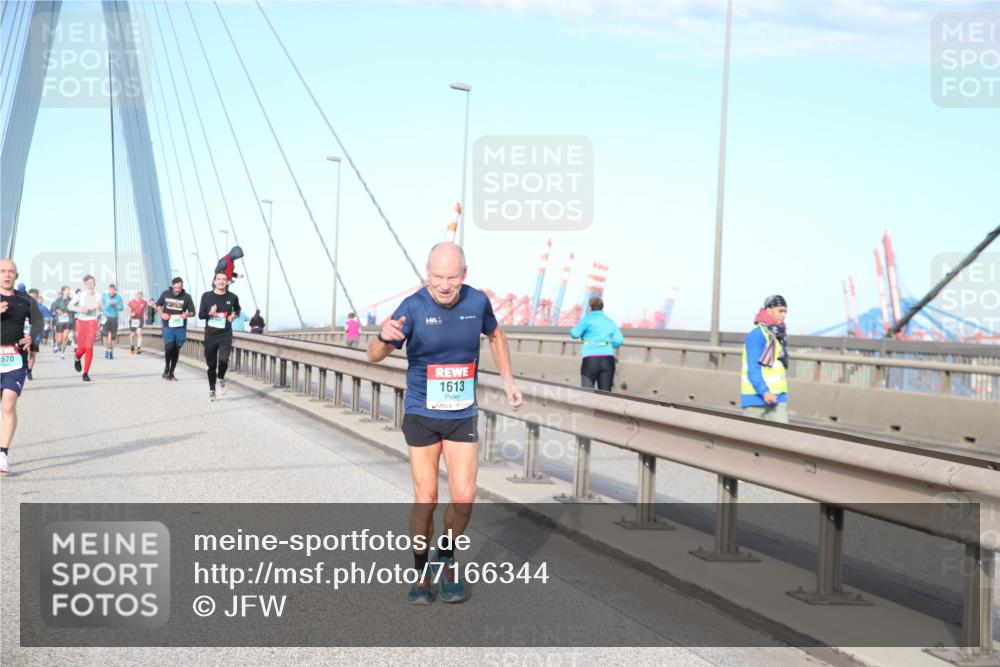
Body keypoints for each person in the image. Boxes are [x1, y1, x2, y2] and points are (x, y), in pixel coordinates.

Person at [367, 242, 523, 605]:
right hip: (422, 413)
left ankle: (447, 557)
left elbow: (496, 335)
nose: (444, 284)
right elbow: (373, 357)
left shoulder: (477, 302)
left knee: (465, 497)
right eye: (437, 276)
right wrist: (382, 338)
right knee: (426, 499)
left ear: (464, 275)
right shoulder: (413, 306)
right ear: (427, 274)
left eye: (452, 277)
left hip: (461, 414)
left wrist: (508, 380)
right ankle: (421, 573)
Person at [0, 260, 43, 473]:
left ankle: (3, 453)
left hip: (14, 359)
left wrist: (31, 337)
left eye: (11, 272)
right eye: (3, 271)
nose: (7, 275)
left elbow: (39, 323)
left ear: (16, 275)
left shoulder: (25, 301)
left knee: (9, 403)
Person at [740, 294, 790, 423]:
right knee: (749, 440)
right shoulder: (757, 335)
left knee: (784, 438)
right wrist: (764, 392)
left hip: (777, 400)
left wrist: (781, 396)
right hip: (755, 399)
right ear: (768, 311)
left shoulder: (779, 335)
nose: (783, 315)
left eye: (785, 311)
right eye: (780, 311)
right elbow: (753, 368)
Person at [198, 271, 241, 401]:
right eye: (219, 279)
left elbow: (238, 309)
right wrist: (210, 312)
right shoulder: (206, 296)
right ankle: (212, 389)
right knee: (211, 365)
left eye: (224, 279)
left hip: (225, 334)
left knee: (223, 360)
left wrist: (233, 316)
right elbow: (201, 315)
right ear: (214, 281)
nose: (221, 282)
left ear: (228, 282)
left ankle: (221, 377)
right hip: (210, 335)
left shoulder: (232, 297)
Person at [569, 296, 624, 391]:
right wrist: (608, 345)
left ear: (590, 307)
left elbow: (574, 334)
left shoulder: (587, 320)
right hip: (608, 360)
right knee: (606, 395)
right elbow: (619, 340)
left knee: (587, 394)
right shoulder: (610, 321)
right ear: (602, 307)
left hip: (590, 361)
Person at [156, 277, 196, 381]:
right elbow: (158, 305)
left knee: (176, 350)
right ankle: (167, 367)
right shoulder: (166, 294)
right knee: (169, 347)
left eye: (180, 287)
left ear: (182, 287)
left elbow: (193, 312)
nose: (178, 290)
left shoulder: (186, 297)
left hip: (180, 327)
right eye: (176, 287)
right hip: (168, 325)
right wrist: (162, 314)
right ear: (172, 286)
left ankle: (171, 373)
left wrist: (186, 314)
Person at [68, 275, 102, 381]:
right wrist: (81, 309)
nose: (90, 285)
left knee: (89, 348)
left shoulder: (98, 295)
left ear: (95, 283)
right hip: (81, 322)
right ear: (85, 285)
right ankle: (77, 357)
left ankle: (85, 373)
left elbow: (101, 309)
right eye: (88, 284)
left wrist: (100, 308)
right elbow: (70, 306)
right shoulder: (80, 294)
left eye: (92, 283)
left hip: (92, 322)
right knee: (81, 349)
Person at [25, 289, 47, 381]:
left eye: (34, 298)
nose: (31, 299)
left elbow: (48, 317)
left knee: (32, 354)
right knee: (23, 352)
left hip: (35, 334)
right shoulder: (24, 306)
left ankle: (29, 371)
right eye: (30, 297)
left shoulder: (41, 308)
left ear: (37, 298)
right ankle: (22, 369)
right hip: (24, 333)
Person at [101, 283, 125, 359]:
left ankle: (111, 352)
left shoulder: (119, 298)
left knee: (113, 336)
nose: (111, 291)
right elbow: (101, 305)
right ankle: (107, 350)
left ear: (115, 290)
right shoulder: (104, 296)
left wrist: (115, 304)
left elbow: (121, 308)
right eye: (110, 290)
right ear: (108, 290)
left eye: (113, 290)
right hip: (105, 317)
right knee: (104, 335)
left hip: (114, 317)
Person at [50, 285, 73, 359]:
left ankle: (62, 353)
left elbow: (76, 309)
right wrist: (57, 311)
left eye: (69, 290)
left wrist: (70, 312)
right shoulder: (58, 301)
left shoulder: (71, 300)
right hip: (59, 321)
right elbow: (52, 309)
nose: (68, 291)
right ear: (63, 291)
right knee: (59, 340)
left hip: (69, 321)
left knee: (65, 337)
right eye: (67, 290)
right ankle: (57, 345)